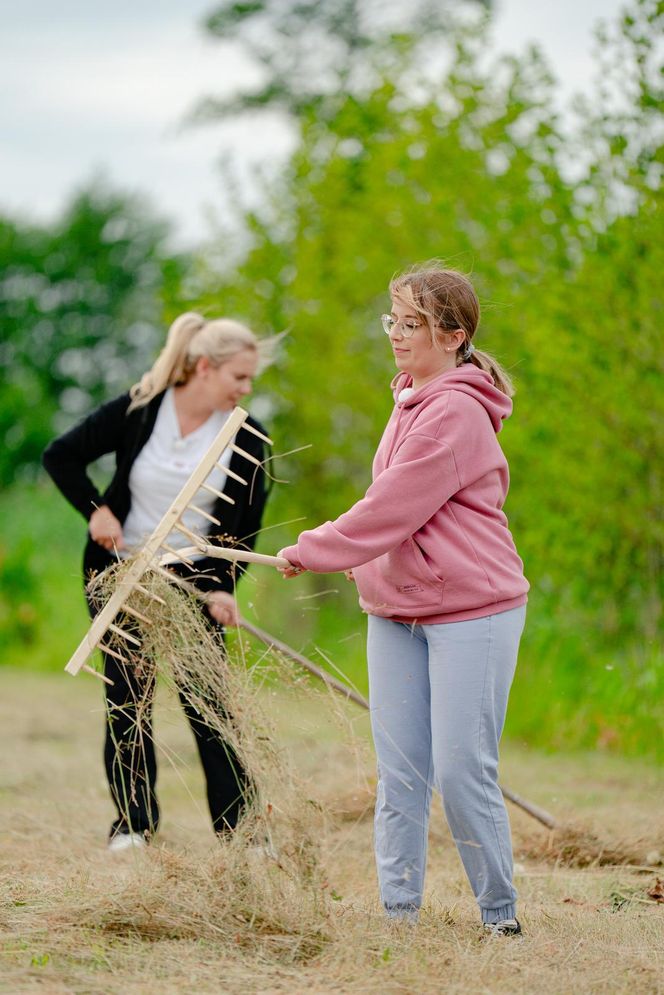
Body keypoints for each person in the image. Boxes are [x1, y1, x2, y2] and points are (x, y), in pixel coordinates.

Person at [278, 266, 529, 936]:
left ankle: (499, 916)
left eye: (412, 322)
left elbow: (394, 507)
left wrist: (315, 547)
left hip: (474, 609)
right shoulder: (409, 396)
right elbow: (387, 514)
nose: (396, 334)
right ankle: (399, 915)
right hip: (396, 612)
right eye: (394, 319)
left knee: (460, 767)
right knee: (401, 772)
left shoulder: (455, 410)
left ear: (455, 334)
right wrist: (332, 551)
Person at [43, 312, 272, 851]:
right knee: (128, 697)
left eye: (250, 379)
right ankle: (133, 825)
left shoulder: (247, 434)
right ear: (202, 368)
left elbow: (246, 525)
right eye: (239, 377)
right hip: (123, 573)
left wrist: (224, 586)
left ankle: (241, 833)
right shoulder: (142, 407)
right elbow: (61, 456)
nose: (247, 389)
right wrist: (96, 510)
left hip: (195, 581)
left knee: (209, 701)